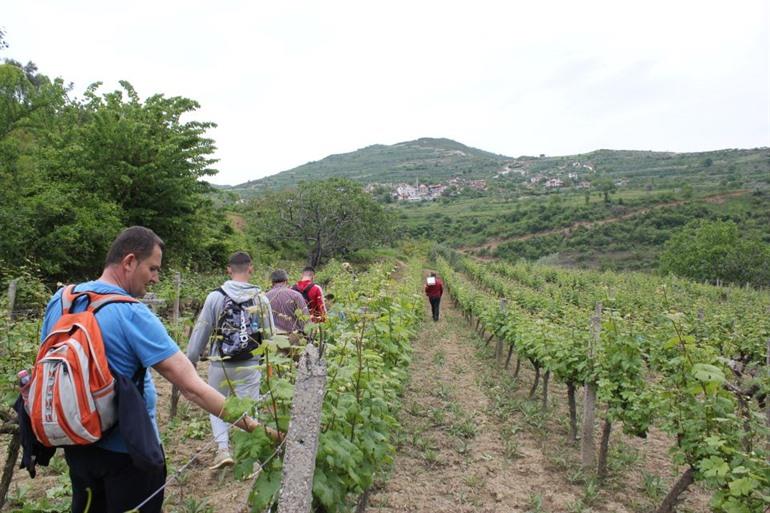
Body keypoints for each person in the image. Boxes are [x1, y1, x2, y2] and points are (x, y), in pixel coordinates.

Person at [39, 227, 270, 513]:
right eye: (152, 268)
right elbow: (193, 388)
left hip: (77, 444)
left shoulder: (63, 299)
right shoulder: (132, 312)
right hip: (129, 454)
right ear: (129, 261)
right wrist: (257, 428)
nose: (156, 278)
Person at [186, 251, 275, 470]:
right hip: (250, 363)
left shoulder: (215, 297)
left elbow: (201, 331)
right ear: (251, 268)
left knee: (217, 405)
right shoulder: (261, 298)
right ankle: (252, 458)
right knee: (249, 407)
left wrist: (192, 359)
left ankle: (223, 450)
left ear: (228, 269)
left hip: (220, 362)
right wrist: (269, 361)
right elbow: (270, 335)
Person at [265, 268, 309, 334]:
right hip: (294, 336)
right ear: (286, 281)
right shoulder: (296, 295)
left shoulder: (265, 297)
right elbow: (305, 319)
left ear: (272, 282)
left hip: (272, 336)